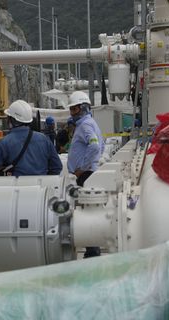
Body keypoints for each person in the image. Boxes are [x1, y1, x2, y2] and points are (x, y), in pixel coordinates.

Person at [67, 90, 104, 257]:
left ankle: (92, 251)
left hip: (86, 174)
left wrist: (82, 166)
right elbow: (100, 146)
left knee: (87, 213)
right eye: (71, 109)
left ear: (83, 108)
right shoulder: (91, 123)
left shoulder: (85, 125)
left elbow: (95, 146)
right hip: (89, 173)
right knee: (90, 211)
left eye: (74, 109)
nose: (72, 113)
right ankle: (92, 248)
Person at [0, 99, 62, 177]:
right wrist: (45, 180)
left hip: (14, 188)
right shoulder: (44, 139)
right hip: (41, 188)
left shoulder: (4, 142)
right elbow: (57, 167)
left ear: (11, 120)